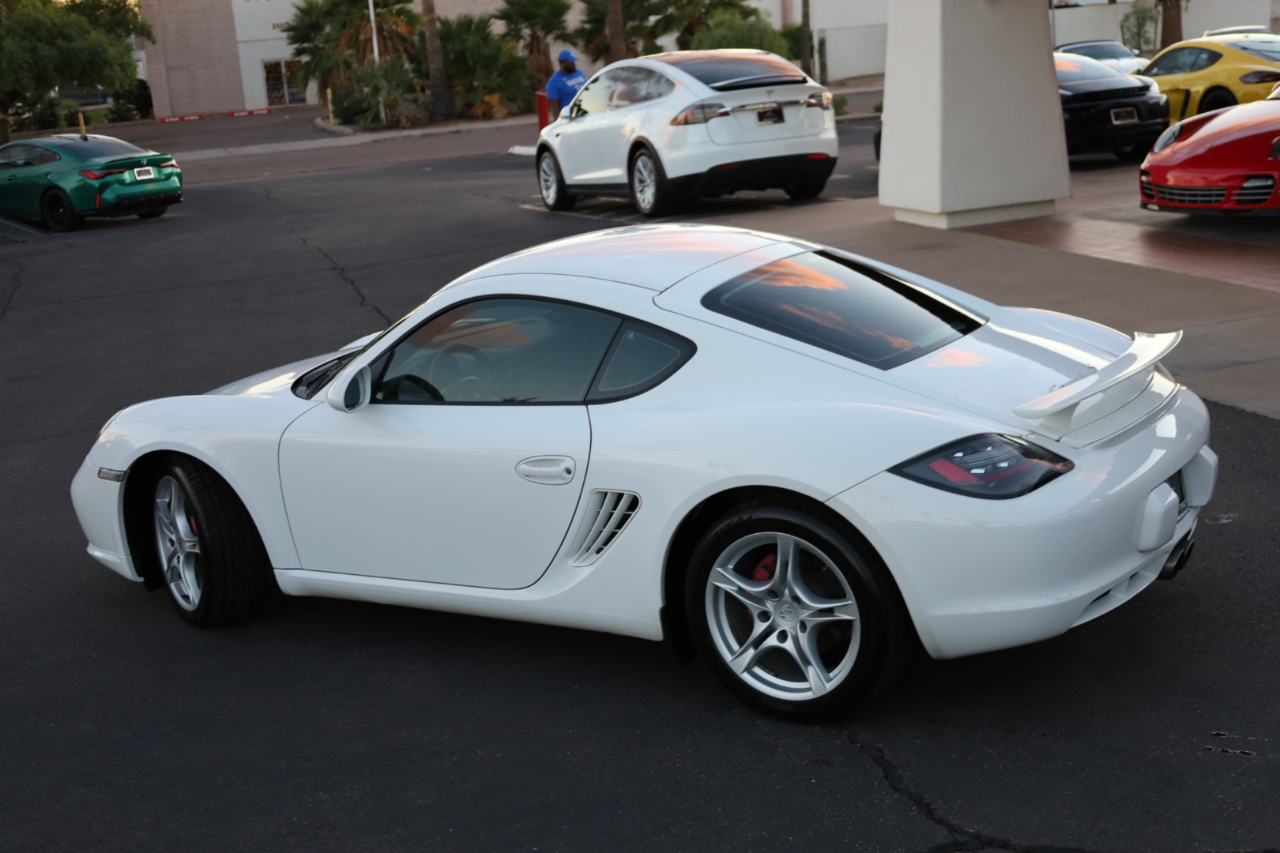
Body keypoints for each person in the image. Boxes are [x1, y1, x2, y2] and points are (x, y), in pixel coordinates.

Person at [546, 49, 588, 121]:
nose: (574, 64)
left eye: (574, 62)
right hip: (570, 117)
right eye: (571, 62)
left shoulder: (579, 73)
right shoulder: (554, 81)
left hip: (586, 112)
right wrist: (560, 121)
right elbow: (554, 106)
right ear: (563, 63)